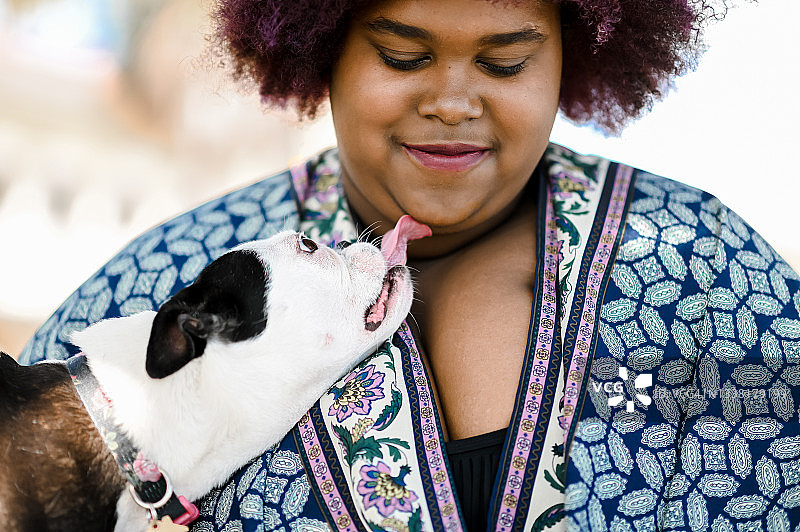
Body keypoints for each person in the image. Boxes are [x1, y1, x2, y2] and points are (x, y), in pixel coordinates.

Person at [20, 0, 800, 530]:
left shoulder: (708, 275)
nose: (453, 102)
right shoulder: (141, 300)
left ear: (572, 53)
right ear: (321, 44)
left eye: (505, 63)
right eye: (403, 55)